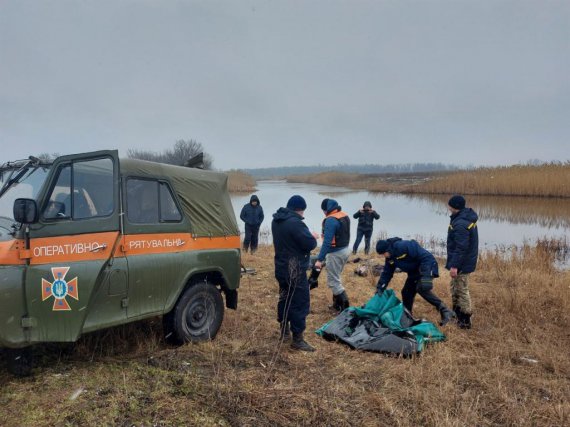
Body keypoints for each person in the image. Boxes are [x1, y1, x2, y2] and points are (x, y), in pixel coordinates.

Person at [272, 195, 318, 351]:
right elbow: (310, 244)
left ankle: (284, 332)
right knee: (300, 302)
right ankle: (297, 339)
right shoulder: (295, 223)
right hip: (295, 270)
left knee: (284, 297)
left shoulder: (276, 220)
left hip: (281, 267)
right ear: (300, 209)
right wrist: (312, 236)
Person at [375, 237, 455, 326]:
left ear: (388, 249)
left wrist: (426, 275)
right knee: (406, 292)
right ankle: (407, 316)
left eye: (383, 253)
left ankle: (445, 311)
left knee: (421, 287)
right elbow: (387, 273)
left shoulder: (403, 246)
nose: (384, 256)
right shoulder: (390, 258)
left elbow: (425, 256)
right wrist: (380, 288)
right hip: (414, 272)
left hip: (427, 265)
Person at [446, 195, 479, 329]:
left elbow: (461, 247)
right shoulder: (463, 218)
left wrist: (454, 266)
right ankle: (457, 314)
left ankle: (465, 321)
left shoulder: (460, 224)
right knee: (455, 288)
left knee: (462, 290)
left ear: (455, 207)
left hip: (462, 264)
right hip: (463, 262)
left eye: (449, 205)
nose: (448, 207)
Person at [314, 198, 351, 312]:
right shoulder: (343, 215)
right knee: (336, 277)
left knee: (333, 281)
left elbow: (327, 242)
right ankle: (337, 305)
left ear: (326, 209)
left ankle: (345, 309)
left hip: (336, 253)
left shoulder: (330, 220)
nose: (324, 213)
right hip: (345, 250)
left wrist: (320, 259)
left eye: (323, 210)